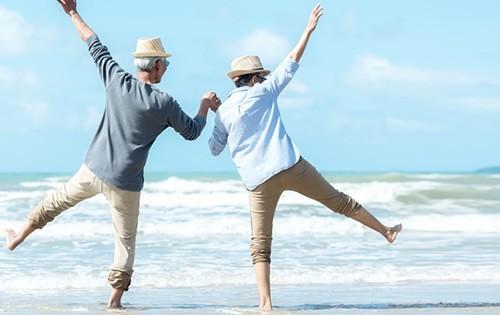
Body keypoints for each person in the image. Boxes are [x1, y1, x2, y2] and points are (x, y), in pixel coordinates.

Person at [3, 0, 220, 309]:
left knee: (55, 201)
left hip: (93, 169)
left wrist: (72, 12)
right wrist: (203, 107)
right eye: (165, 64)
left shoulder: (116, 80)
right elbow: (193, 132)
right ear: (156, 66)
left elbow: (93, 43)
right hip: (126, 183)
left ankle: (18, 235)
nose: (167, 68)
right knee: (125, 241)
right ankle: (114, 302)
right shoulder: (165, 103)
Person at [208, 4, 402, 310]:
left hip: (257, 181)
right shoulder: (264, 92)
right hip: (288, 164)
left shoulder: (224, 112)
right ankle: (386, 231)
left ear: (237, 80)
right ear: (255, 78)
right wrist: (308, 29)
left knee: (260, 244)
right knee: (339, 202)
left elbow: (215, 149)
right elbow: (291, 62)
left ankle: (266, 303)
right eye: (261, 75)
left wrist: (211, 110)